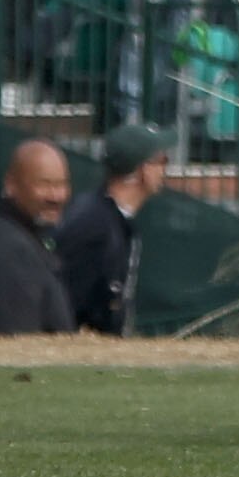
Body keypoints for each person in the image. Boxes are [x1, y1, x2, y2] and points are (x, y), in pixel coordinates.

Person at [56, 122, 172, 336]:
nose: (165, 169)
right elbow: (68, 305)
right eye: (162, 160)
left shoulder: (115, 222)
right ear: (141, 170)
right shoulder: (93, 225)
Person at [0, 140, 75, 335]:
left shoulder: (25, 238)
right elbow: (17, 347)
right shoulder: (6, 249)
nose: (56, 196)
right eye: (44, 184)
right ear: (11, 184)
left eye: (62, 184)